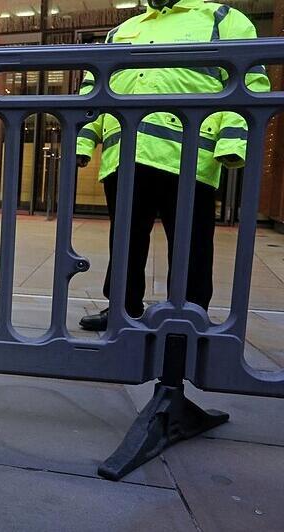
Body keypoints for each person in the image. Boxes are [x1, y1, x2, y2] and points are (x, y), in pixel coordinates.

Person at [75, 0, 270, 332]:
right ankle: (122, 309)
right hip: (125, 152)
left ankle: (189, 313)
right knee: (125, 239)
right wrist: (83, 140)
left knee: (191, 242)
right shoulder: (121, 31)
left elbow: (248, 83)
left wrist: (233, 143)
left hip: (190, 155)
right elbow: (94, 90)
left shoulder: (222, 18)